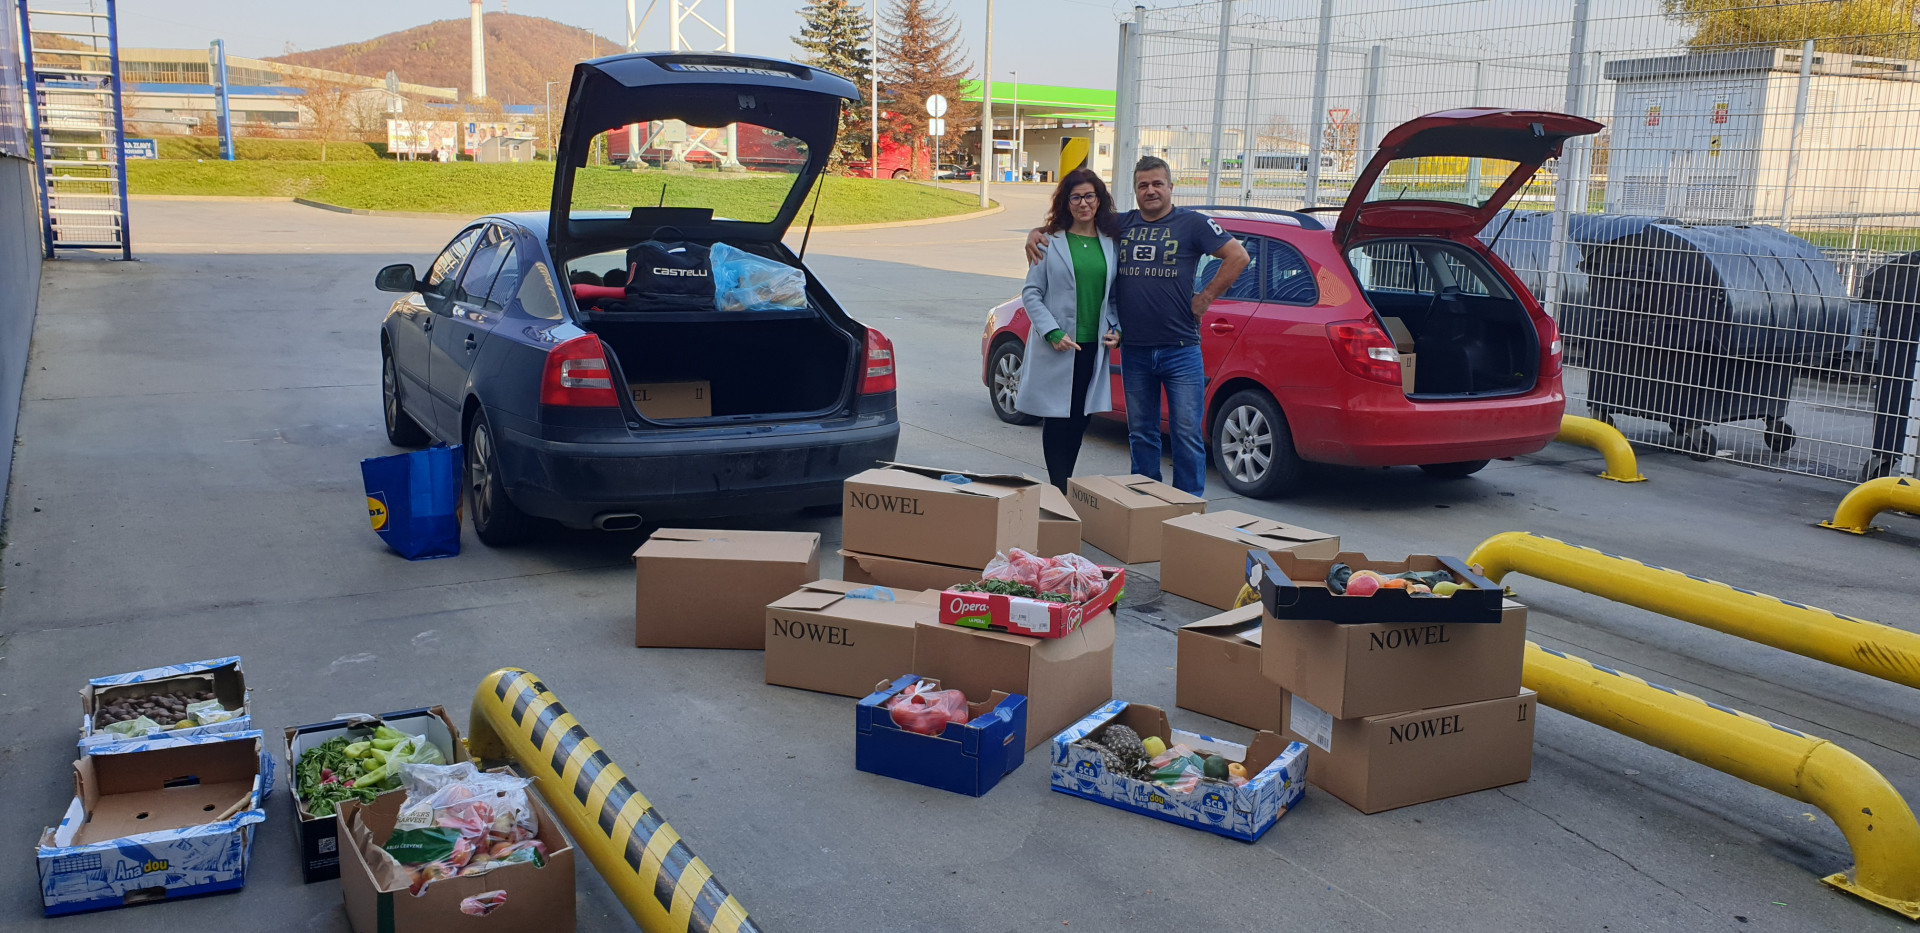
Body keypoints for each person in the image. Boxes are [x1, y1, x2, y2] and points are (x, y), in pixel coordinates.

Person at [1026, 155, 1249, 496]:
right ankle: (1145, 503)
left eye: (1158, 183)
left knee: (1186, 434)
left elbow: (1238, 256)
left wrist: (1205, 298)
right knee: (1141, 433)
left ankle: (1187, 506)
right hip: (1135, 352)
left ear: (1171, 186)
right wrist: (1036, 233)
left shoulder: (1193, 223)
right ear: (1135, 190)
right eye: (1143, 185)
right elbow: (1075, 224)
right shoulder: (1121, 225)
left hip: (1180, 348)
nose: (1151, 191)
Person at [1016, 168, 1122, 491]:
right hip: (1059, 346)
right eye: (1075, 197)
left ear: (1099, 200)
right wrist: (1052, 332)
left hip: (1093, 347)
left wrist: (1116, 328)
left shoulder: (1111, 243)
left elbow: (1113, 297)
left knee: (1080, 419)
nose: (1083, 203)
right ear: (1066, 202)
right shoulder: (1049, 242)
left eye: (1089, 196)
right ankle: (1059, 489)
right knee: (1057, 418)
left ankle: (1062, 486)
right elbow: (1031, 293)